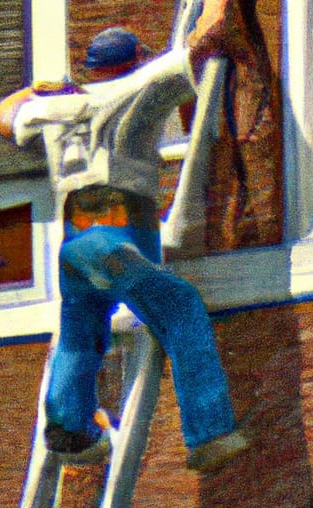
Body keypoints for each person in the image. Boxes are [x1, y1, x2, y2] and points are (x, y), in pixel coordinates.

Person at [38, 27, 249, 473]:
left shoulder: (57, 108)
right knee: (180, 306)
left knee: (82, 329)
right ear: (136, 59)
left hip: (73, 242)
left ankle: (68, 431)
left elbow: (3, 118)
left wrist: (37, 91)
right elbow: (201, 48)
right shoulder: (139, 86)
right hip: (112, 231)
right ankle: (210, 432)